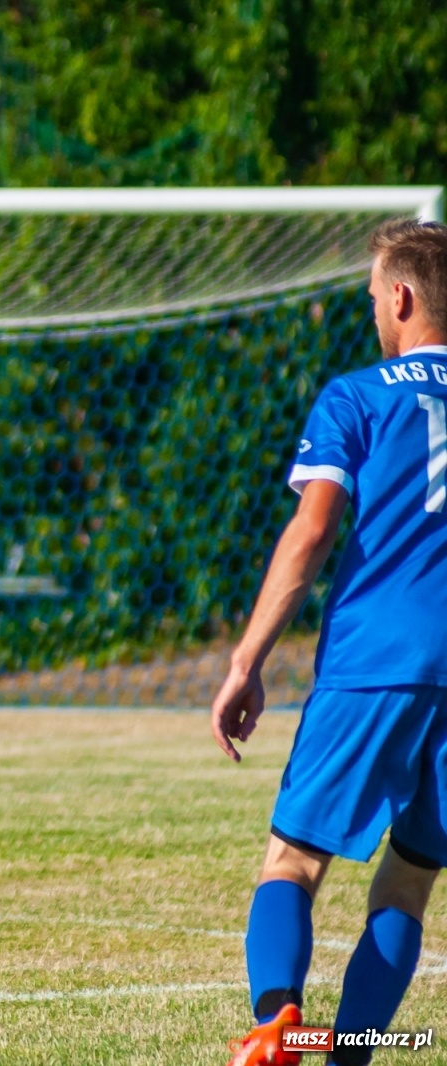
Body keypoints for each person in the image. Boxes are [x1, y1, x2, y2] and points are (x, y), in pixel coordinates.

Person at [211, 218, 447, 1066]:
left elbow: (311, 533)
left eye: (373, 295)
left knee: (293, 861)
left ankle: (278, 1021)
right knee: (410, 880)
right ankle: (350, 1055)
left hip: (375, 664)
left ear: (402, 297)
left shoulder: (359, 394)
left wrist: (247, 661)